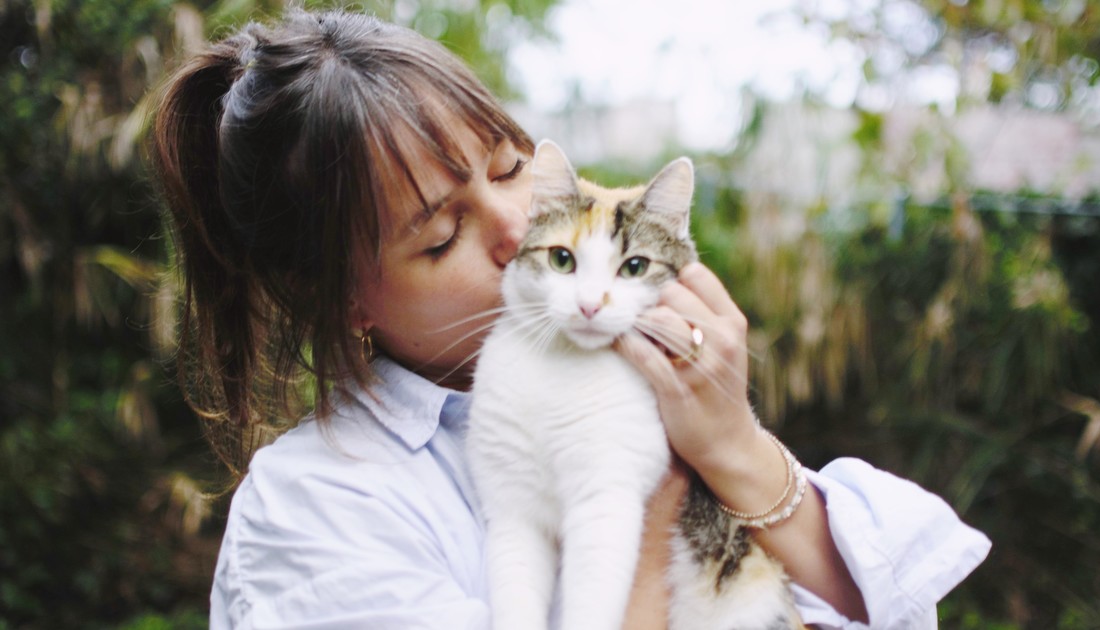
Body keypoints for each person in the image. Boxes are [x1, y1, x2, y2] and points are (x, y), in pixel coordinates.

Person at [151, 9, 990, 629]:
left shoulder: (624, 365)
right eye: (441, 237)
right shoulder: (315, 509)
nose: (518, 228)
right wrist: (657, 498)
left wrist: (733, 444)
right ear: (343, 298)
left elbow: (886, 607)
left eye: (510, 166)